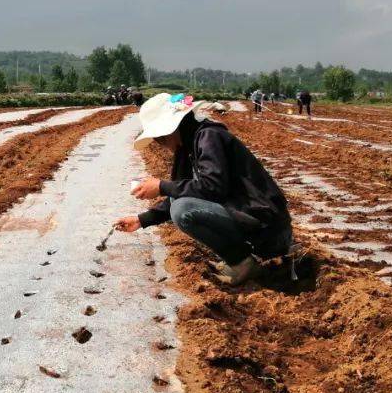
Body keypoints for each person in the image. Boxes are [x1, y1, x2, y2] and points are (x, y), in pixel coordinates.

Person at [114, 93, 293, 285]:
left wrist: (162, 186)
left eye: (159, 139)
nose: (160, 144)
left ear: (170, 130)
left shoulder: (209, 137)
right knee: (179, 200)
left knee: (183, 210)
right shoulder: (190, 144)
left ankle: (242, 263)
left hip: (269, 228)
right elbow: (182, 191)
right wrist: (142, 220)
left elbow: (213, 187)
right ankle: (237, 258)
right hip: (252, 218)